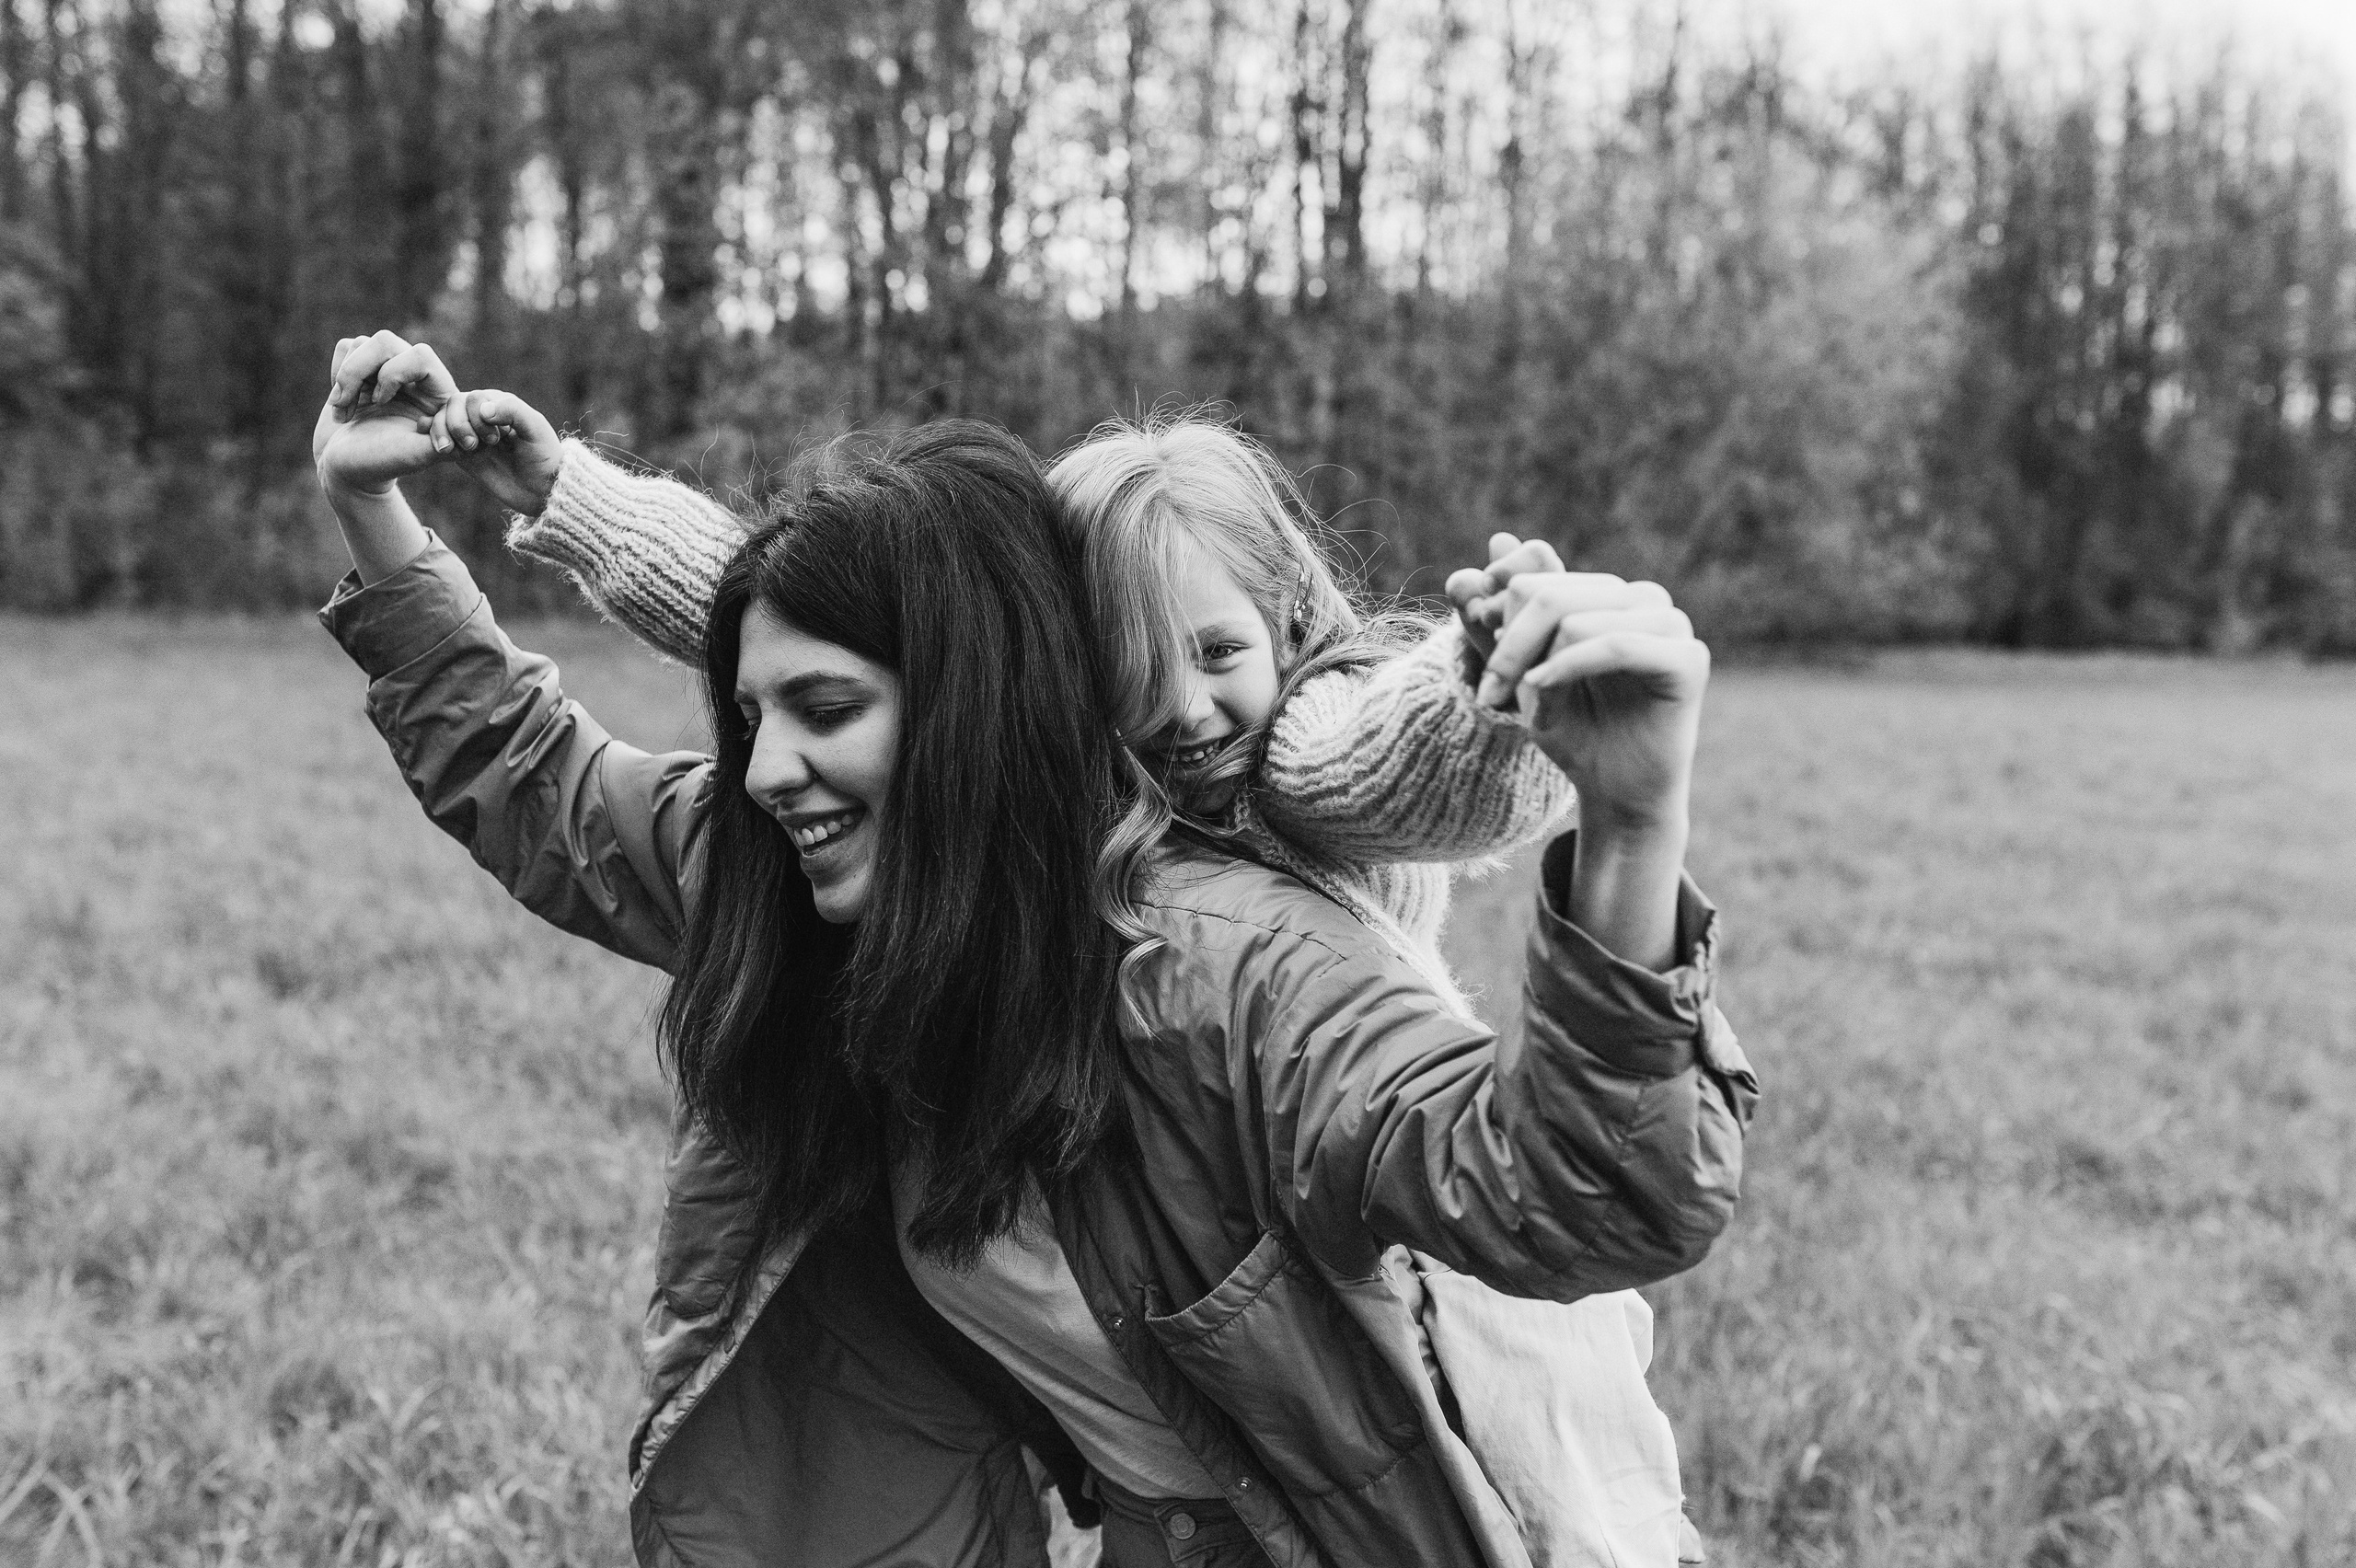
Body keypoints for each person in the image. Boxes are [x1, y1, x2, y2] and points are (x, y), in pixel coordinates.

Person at [314, 329, 1756, 1568]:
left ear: (974, 716)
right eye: (754, 720)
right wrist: (372, 507)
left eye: (826, 711)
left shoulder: (1227, 966)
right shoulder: (809, 886)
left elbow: (1582, 1198)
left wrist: (1629, 821)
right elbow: (543, 785)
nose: (762, 773)